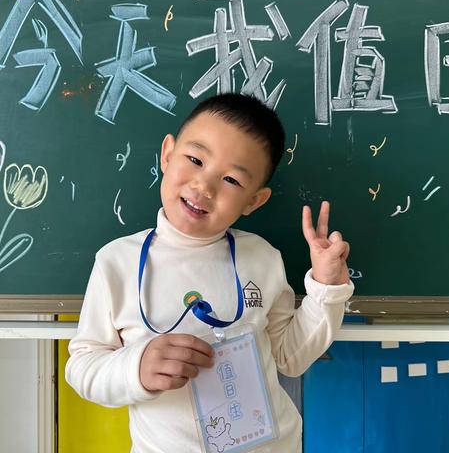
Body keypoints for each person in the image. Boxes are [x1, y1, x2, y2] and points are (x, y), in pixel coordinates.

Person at [66, 93, 354, 453]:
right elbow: (83, 368)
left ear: (254, 200)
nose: (204, 186)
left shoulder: (261, 258)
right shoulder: (117, 262)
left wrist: (327, 288)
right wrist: (136, 368)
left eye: (232, 180)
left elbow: (290, 357)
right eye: (195, 159)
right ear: (168, 154)